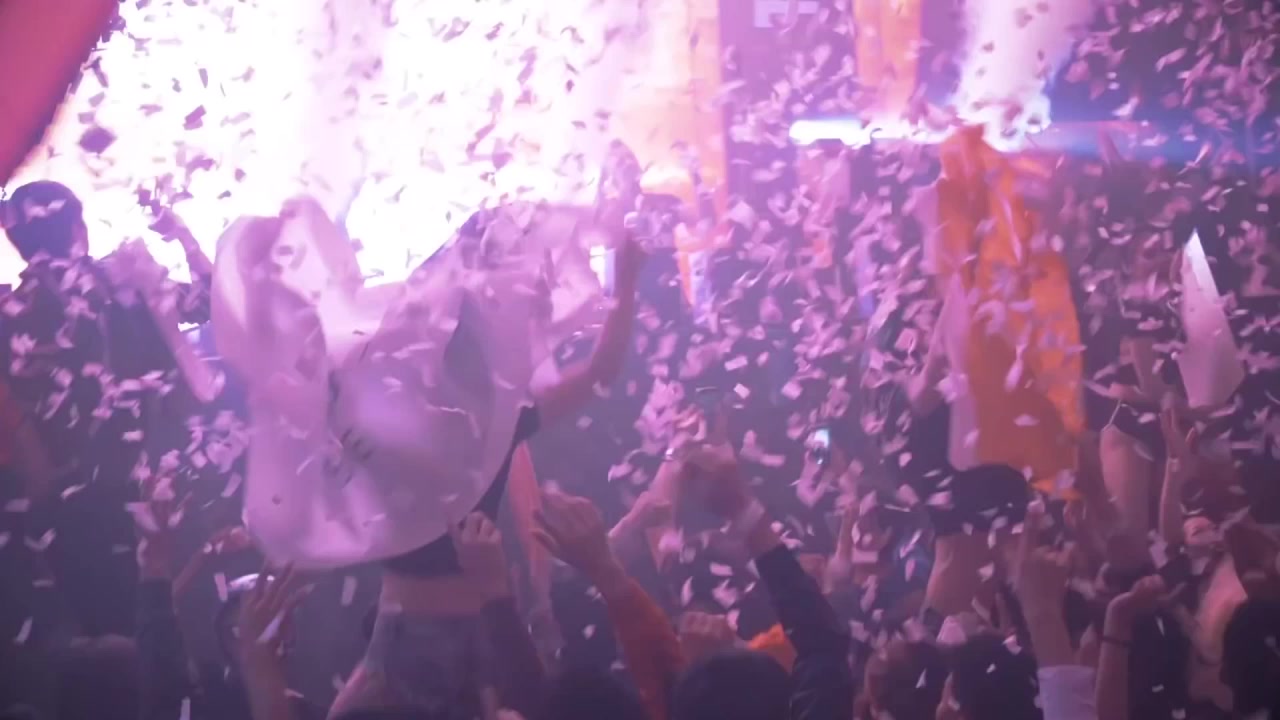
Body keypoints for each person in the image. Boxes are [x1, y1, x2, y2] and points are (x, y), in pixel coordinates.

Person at [0, 180, 214, 637]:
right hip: (156, 487)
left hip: (62, 508)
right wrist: (182, 236)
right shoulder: (126, 279)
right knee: (166, 628)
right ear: (79, 228)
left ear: (14, 240)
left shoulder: (7, 316)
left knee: (109, 641)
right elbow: (211, 301)